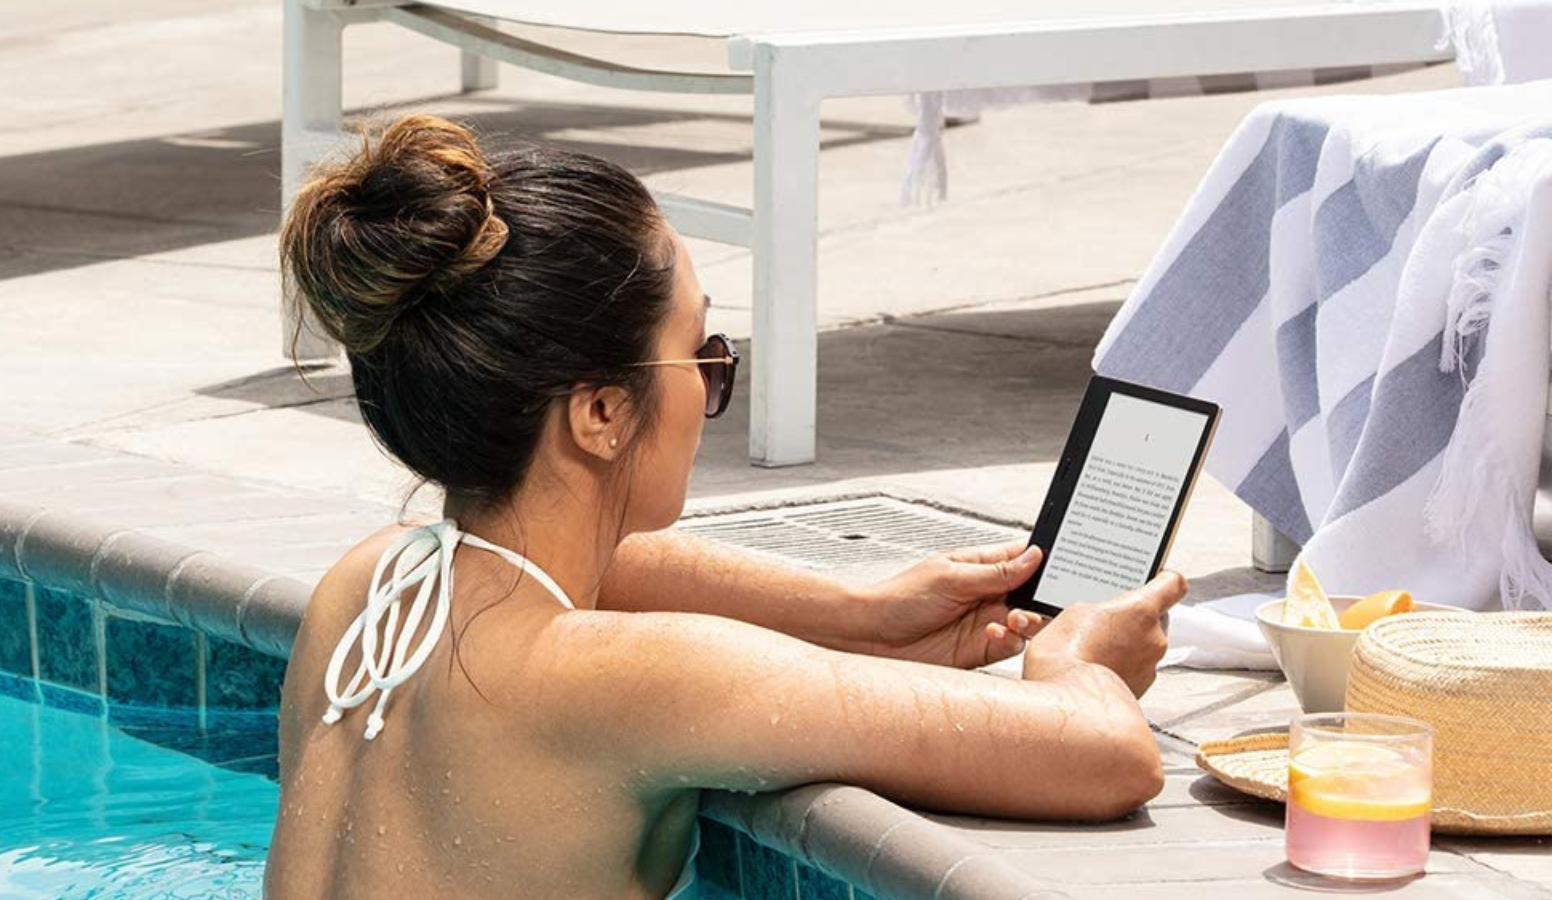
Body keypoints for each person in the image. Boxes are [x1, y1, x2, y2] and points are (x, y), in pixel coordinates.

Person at [263, 113, 1186, 900]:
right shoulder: (642, 680)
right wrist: (1080, 658)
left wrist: (858, 617)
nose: (713, 382)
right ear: (600, 412)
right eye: (702, 354)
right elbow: (1105, 754)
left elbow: (594, 565)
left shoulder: (370, 589)